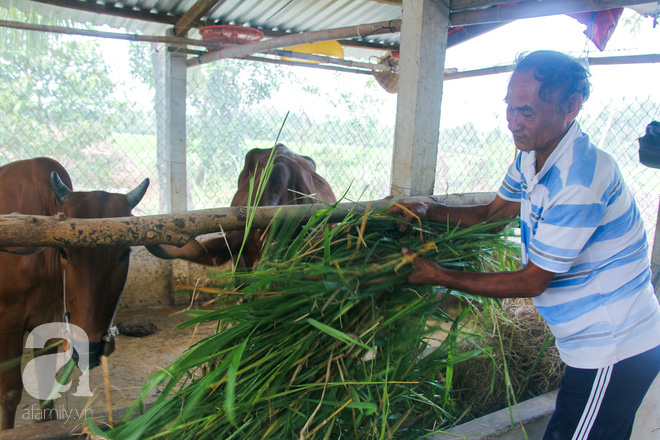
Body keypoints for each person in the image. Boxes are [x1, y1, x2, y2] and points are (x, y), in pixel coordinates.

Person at [387, 50, 660, 440]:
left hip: (614, 349)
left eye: (527, 112)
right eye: (509, 108)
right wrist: (429, 210)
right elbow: (494, 216)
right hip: (600, 348)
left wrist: (437, 275)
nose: (513, 123)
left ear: (571, 106)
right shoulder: (531, 156)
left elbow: (532, 282)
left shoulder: (579, 179)